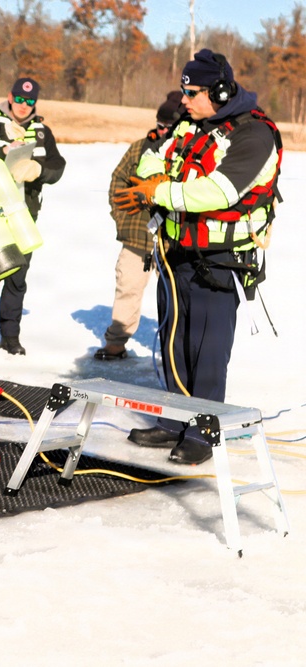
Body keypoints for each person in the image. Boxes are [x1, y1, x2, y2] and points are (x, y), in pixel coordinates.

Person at [113, 49, 282, 464]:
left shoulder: (254, 135)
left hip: (220, 261)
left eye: (192, 93)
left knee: (207, 349)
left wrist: (159, 191)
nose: (183, 100)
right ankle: (173, 421)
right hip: (176, 254)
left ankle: (204, 433)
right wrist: (152, 175)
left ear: (220, 92)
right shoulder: (195, 124)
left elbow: (218, 191)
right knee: (175, 340)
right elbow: (159, 154)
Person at [0, 76, 65, 355]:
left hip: (24, 214)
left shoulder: (42, 132)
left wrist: (38, 171)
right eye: (20, 100)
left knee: (18, 277)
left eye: (30, 101)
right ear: (10, 98)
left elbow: (58, 166)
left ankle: (10, 337)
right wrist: (0, 154)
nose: (24, 106)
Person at [94, 91, 183, 361]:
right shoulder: (139, 147)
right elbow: (117, 182)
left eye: (170, 127)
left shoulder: (187, 153)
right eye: (160, 125)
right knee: (127, 289)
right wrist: (123, 219)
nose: (163, 131)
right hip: (136, 238)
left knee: (175, 297)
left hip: (172, 242)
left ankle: (174, 349)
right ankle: (116, 343)